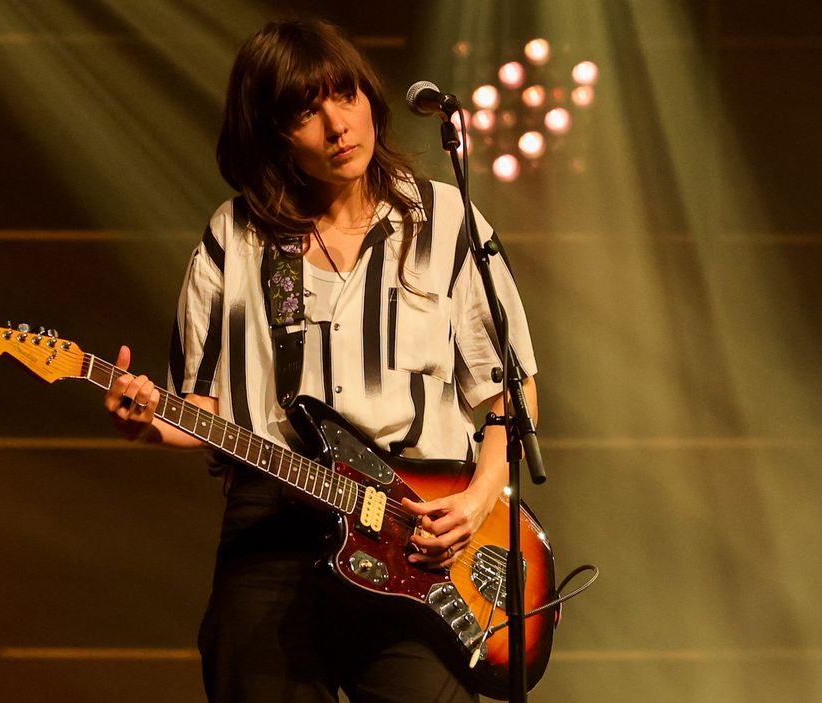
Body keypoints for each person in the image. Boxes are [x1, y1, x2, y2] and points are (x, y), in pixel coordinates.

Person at [103, 18, 538, 703]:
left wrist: (478, 499)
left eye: (346, 94)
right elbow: (204, 407)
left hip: (418, 535)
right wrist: (150, 420)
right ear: (272, 133)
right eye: (307, 110)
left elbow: (511, 390)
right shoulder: (235, 238)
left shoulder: (446, 221)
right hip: (275, 535)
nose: (338, 124)